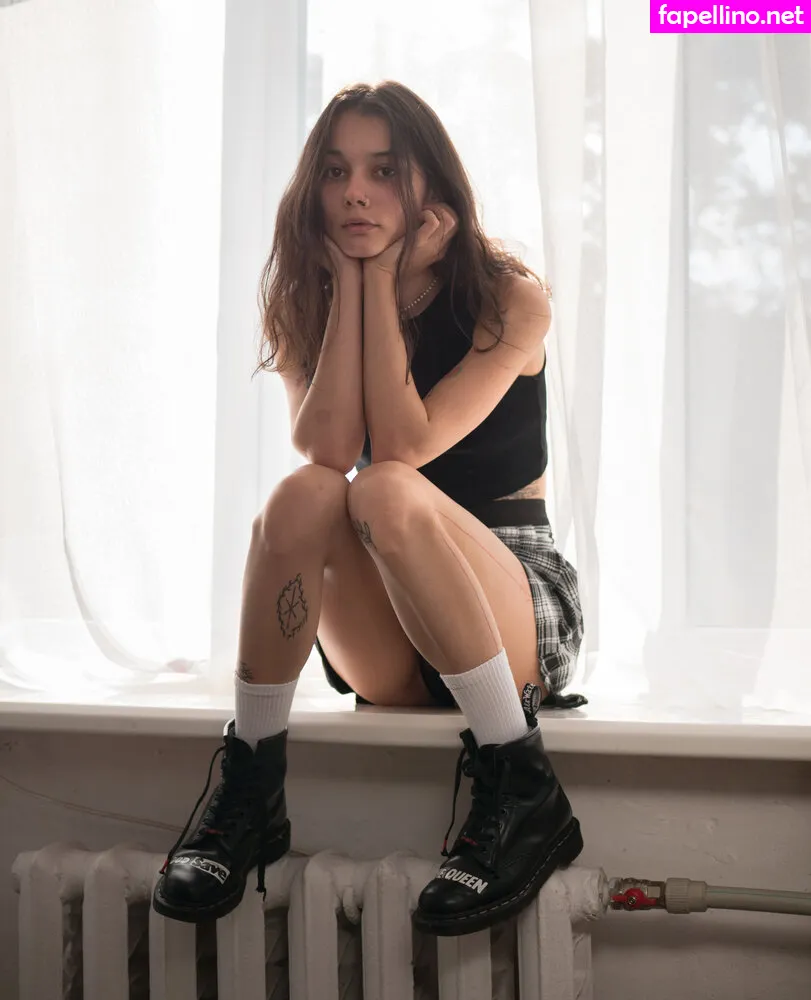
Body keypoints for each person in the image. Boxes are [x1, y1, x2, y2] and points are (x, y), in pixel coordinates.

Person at [151, 80, 585, 937]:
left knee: (382, 487)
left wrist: (379, 276)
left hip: (512, 606)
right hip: (390, 629)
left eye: (384, 171)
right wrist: (355, 288)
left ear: (432, 187)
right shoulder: (305, 302)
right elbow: (324, 450)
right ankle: (251, 785)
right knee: (309, 492)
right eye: (335, 171)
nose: (355, 192)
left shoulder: (509, 298)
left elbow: (402, 449)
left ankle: (521, 782)